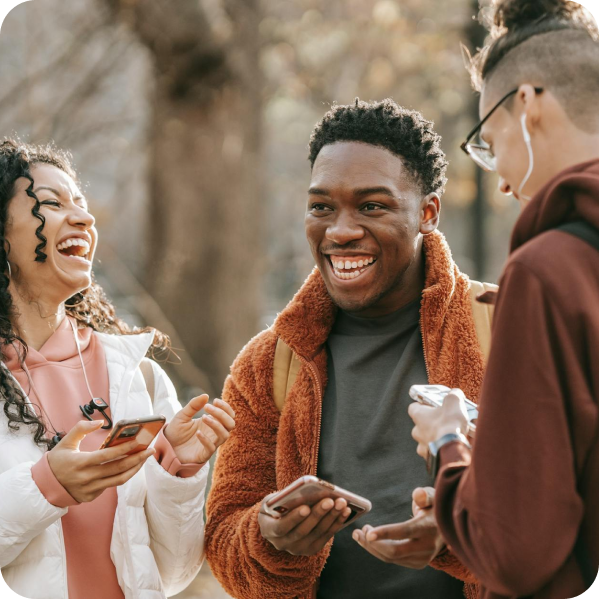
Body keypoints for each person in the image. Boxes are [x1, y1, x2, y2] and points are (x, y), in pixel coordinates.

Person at [205, 99, 495, 599]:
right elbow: (225, 541)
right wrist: (271, 538)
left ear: (427, 213)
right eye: (321, 207)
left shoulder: (505, 328)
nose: (340, 231)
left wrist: (455, 533)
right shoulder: (267, 364)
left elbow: (561, 518)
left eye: (371, 206)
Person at [401, 1, 599, 597]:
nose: (503, 179)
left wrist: (448, 443)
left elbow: (518, 551)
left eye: (489, 141)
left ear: (528, 105)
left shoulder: (547, 272)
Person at [0, 139, 236, 599]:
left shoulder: (138, 375)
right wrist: (46, 487)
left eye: (82, 205)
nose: (85, 219)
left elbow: (173, 571)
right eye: (49, 203)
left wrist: (178, 472)